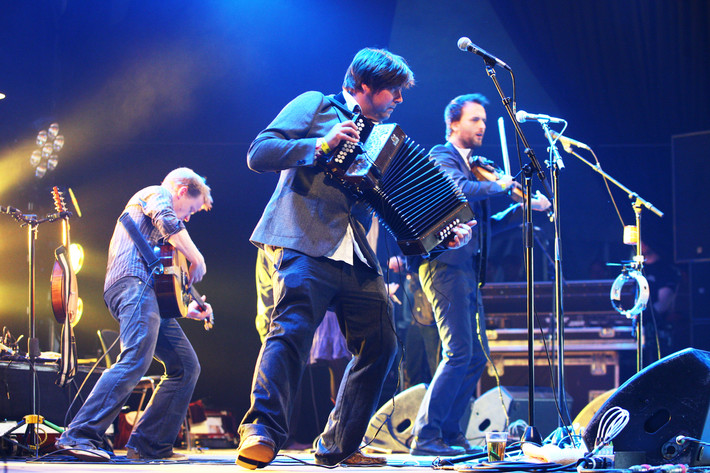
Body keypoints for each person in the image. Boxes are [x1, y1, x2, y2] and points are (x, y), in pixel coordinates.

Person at [237, 47, 474, 469]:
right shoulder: (317, 105)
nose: (399, 100)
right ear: (366, 86)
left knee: (381, 345)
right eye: (394, 92)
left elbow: (398, 213)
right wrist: (319, 144)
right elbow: (259, 152)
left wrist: (441, 239)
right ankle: (260, 431)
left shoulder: (383, 137)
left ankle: (339, 445)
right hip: (304, 239)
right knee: (289, 333)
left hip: (356, 254)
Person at [409, 94, 551, 456]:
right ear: (453, 124)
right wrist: (504, 185)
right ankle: (425, 437)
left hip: (467, 269)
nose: (482, 126)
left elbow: (485, 221)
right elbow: (458, 189)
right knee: (457, 352)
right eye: (474, 119)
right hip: (444, 266)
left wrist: (522, 206)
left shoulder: (475, 166)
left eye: (484, 120)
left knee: (475, 356)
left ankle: (452, 431)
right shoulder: (442, 157)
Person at [56, 167, 214, 462]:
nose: (189, 217)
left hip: (145, 290)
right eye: (191, 208)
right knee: (136, 357)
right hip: (131, 282)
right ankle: (79, 434)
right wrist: (197, 257)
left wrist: (186, 309)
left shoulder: (158, 223)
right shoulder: (156, 193)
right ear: (181, 191)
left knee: (186, 367)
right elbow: (168, 220)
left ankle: (149, 444)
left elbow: (162, 277)